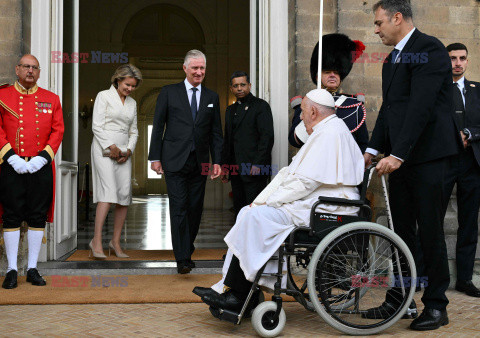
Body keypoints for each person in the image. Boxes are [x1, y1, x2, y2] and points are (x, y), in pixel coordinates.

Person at [193, 89, 364, 313]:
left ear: (313, 111)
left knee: (256, 216)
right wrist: (264, 200)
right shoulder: (328, 129)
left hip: (328, 205)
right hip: (317, 200)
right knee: (247, 212)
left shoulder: (330, 133)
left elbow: (305, 183)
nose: (301, 117)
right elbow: (298, 177)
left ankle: (238, 294)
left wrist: (271, 201)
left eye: (302, 112)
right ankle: (234, 289)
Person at [363, 0, 462, 330]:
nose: (375, 30)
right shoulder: (392, 59)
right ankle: (399, 300)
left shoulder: (430, 49)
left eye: (379, 23)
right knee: (399, 233)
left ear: (397, 17)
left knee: (430, 230)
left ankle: (436, 305)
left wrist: (398, 155)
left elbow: (420, 108)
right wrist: (373, 149)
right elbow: (391, 111)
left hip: (429, 159)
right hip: (399, 161)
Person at [148, 50, 223, 274]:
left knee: (195, 209)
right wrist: (155, 157)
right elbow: (158, 124)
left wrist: (217, 161)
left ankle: (186, 248)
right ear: (185, 68)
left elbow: (216, 132)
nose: (199, 72)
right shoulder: (169, 92)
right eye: (195, 68)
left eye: (202, 68)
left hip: (200, 163)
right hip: (174, 160)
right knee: (179, 207)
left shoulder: (212, 97)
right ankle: (182, 258)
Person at [0, 54, 64, 289]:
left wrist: (42, 159)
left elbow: (58, 131)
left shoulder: (51, 99)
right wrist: (11, 157)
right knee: (11, 216)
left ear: (39, 72)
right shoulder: (2, 96)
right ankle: (11, 270)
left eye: (34, 68)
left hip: (40, 166)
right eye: (26, 66)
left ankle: (33, 268)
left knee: (37, 216)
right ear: (17, 69)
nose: (30, 71)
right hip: (11, 165)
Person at [89, 64, 142, 259]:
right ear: (118, 80)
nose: (130, 89)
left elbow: (134, 131)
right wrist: (111, 147)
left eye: (133, 86)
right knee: (108, 193)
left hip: (123, 152)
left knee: (123, 196)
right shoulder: (103, 96)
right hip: (104, 149)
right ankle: (96, 241)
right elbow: (96, 125)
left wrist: (128, 150)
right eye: (127, 84)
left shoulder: (132, 104)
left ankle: (115, 242)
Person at [442, 43, 480, 298]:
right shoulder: (437, 89)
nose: (457, 62)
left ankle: (464, 279)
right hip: (443, 160)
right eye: (453, 58)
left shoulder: (478, 90)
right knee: (431, 219)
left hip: (472, 163)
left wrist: (470, 133)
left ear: (467, 61)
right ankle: (428, 276)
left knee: (469, 222)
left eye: (462, 58)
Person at [289, 33, 368, 153]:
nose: (332, 75)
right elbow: (294, 140)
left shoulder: (354, 105)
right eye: (327, 72)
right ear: (317, 76)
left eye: (336, 73)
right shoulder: (305, 103)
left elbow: (362, 143)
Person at [221, 71, 274, 216]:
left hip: (255, 170)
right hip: (236, 170)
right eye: (235, 86)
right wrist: (225, 167)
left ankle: (256, 239)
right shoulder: (230, 110)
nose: (239, 88)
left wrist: (258, 164)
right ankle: (242, 239)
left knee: (254, 210)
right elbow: (228, 140)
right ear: (231, 88)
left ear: (249, 86)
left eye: (243, 85)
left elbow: (267, 138)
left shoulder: (261, 106)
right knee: (239, 209)